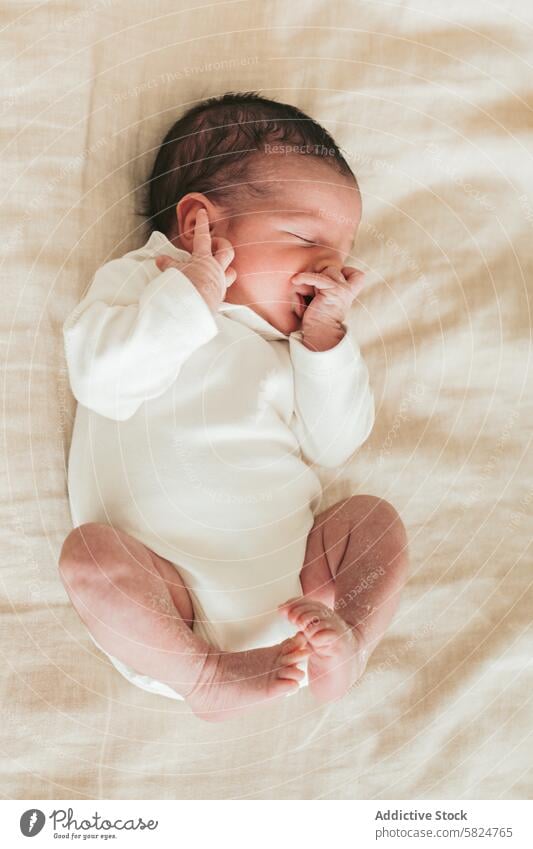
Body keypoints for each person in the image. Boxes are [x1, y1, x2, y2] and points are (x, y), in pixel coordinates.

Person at [59, 92, 409, 722]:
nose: (330, 266)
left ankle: (350, 641)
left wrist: (326, 344)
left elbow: (337, 442)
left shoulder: (292, 349)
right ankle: (203, 674)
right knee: (89, 559)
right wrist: (190, 297)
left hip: (301, 593)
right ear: (203, 224)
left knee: (373, 521)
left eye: (342, 252)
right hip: (166, 600)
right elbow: (103, 382)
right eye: (307, 238)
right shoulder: (142, 283)